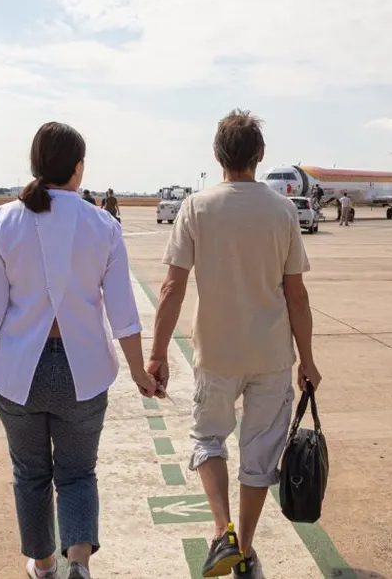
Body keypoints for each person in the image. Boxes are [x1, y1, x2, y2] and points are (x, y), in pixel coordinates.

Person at [0, 122, 160, 579]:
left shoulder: (4, 221)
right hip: (83, 372)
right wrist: (140, 371)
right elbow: (123, 311)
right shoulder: (102, 224)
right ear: (79, 169)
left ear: (36, 164)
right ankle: (78, 563)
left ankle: (42, 564)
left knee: (30, 474)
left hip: (19, 372)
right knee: (78, 474)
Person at [150, 109, 321, 578]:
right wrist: (307, 359)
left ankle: (222, 531)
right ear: (260, 156)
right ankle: (243, 550)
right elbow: (297, 294)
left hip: (216, 354)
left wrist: (158, 353)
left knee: (208, 440)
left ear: (216, 155)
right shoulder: (283, 210)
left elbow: (172, 287)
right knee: (259, 454)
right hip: (270, 356)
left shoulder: (196, 207)